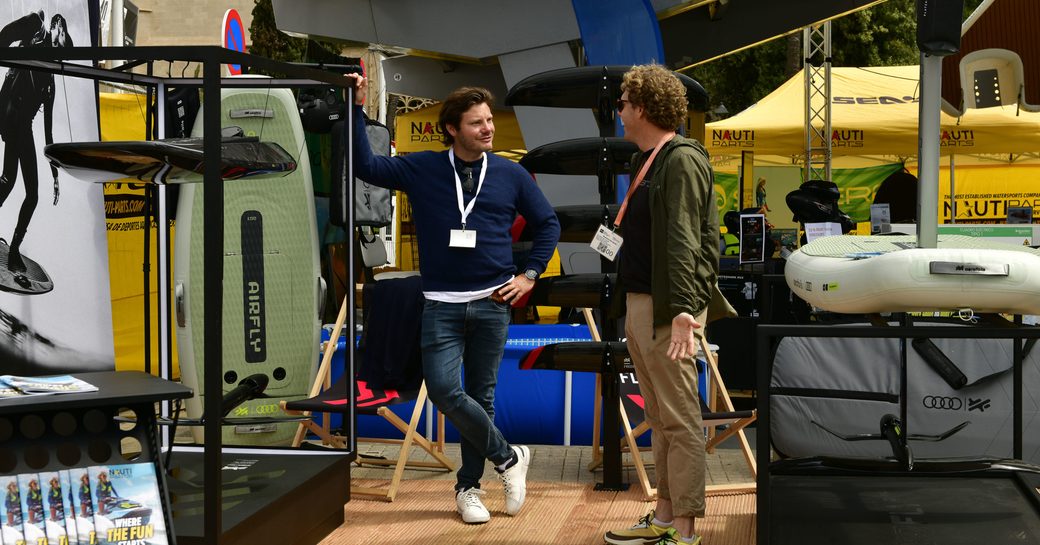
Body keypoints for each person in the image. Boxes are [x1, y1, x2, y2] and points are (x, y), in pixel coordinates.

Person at [346, 74, 561, 524]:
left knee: (481, 399)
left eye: (488, 121)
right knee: (445, 390)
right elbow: (366, 166)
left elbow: (548, 225)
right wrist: (355, 107)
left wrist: (530, 276)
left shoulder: (510, 173)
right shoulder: (423, 168)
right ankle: (509, 456)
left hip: (493, 301)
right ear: (452, 128)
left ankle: (468, 488)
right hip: (440, 303)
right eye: (477, 122)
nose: (487, 129)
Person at [604, 64, 720, 545]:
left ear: (643, 109)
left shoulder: (682, 159)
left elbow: (684, 243)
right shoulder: (649, 160)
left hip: (668, 308)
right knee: (660, 417)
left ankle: (686, 529)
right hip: (645, 304)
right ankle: (667, 517)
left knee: (679, 418)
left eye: (624, 103)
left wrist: (683, 315)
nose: (620, 111)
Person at [0, 10, 72, 283]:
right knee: (15, 185)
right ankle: (14, 252)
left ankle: (14, 250)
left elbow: (49, 132)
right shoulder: (35, 37)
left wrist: (55, 175)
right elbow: (8, 35)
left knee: (18, 188)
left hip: (22, 126)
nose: (61, 38)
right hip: (10, 116)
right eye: (61, 31)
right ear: (54, 26)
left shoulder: (50, 84)